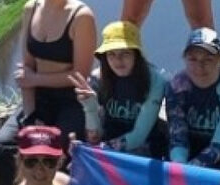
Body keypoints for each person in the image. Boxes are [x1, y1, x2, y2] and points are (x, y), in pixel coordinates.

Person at [0, 0, 96, 185]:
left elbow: (80, 76)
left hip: (71, 100)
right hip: (39, 98)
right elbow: (26, 70)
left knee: (56, 148)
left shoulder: (81, 16)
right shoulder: (30, 9)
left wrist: (35, 79)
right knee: (3, 145)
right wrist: (30, 117)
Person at [71, 21, 168, 158]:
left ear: (136, 55)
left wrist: (102, 149)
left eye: (125, 53)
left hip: (146, 149)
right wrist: (90, 109)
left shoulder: (156, 80)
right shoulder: (97, 79)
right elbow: (94, 138)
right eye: (111, 54)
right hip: (109, 143)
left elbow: (139, 135)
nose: (118, 60)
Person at [165, 28, 220, 172]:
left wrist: (188, 171)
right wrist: (179, 165)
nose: (199, 66)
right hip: (193, 150)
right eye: (193, 59)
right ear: (184, 59)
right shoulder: (177, 86)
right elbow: (178, 137)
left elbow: (219, 146)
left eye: (208, 59)